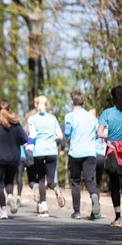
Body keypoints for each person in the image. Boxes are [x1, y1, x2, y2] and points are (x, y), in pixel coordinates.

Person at [0, 100, 27, 219]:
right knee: (9, 182)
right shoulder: (15, 123)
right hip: (13, 158)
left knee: (0, 185)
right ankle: (11, 195)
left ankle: (3, 211)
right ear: (10, 109)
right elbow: (24, 139)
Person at [64, 90, 101, 220]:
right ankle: (94, 195)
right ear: (83, 102)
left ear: (71, 102)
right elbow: (98, 133)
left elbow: (67, 133)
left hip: (75, 153)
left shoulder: (69, 116)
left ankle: (77, 212)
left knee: (75, 181)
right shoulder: (92, 117)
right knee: (89, 180)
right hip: (90, 152)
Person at [28, 95, 65, 218]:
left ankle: (43, 206)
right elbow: (60, 136)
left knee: (41, 179)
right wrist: (50, 137)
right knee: (50, 180)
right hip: (52, 151)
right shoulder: (53, 118)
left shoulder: (32, 119)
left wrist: (28, 148)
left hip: (39, 152)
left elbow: (32, 136)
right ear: (47, 105)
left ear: (36, 105)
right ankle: (55, 189)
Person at [97, 85, 122, 227]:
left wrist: (110, 137)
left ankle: (118, 217)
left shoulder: (107, 113)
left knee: (115, 185)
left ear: (112, 97)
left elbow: (99, 133)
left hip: (113, 151)